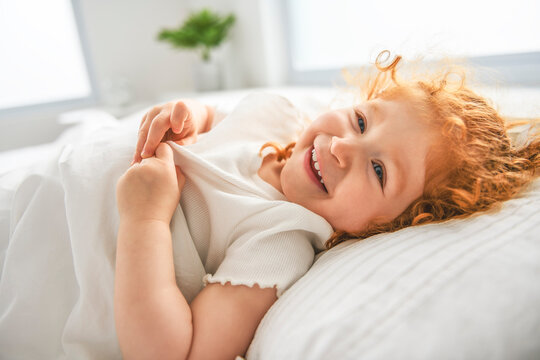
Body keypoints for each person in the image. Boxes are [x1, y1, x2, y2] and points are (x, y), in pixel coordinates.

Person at [114, 51, 540, 359]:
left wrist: (145, 218)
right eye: (360, 121)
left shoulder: (278, 241)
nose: (340, 147)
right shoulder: (275, 116)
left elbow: (176, 352)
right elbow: (212, 121)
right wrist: (188, 117)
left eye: (378, 171)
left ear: (387, 227)